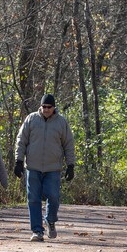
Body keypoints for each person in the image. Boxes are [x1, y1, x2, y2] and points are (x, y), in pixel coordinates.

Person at [14, 94, 75, 242]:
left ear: (54, 107)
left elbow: (68, 144)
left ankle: (51, 220)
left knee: (53, 197)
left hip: (53, 168)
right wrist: (18, 161)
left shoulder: (61, 122)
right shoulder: (31, 119)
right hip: (33, 167)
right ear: (40, 106)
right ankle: (37, 231)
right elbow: (21, 140)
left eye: (49, 107)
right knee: (33, 199)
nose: (46, 109)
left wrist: (71, 165)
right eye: (44, 107)